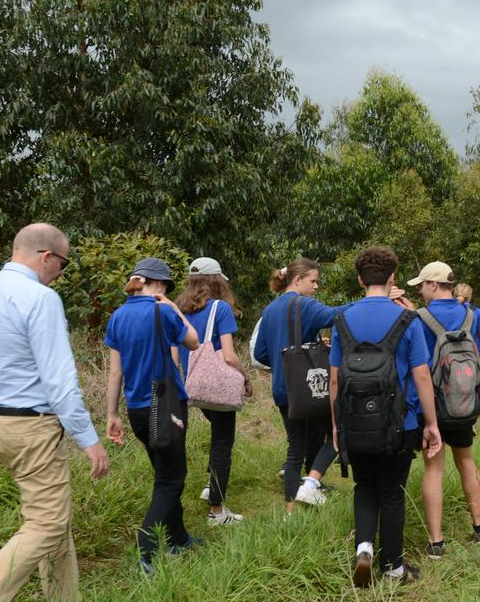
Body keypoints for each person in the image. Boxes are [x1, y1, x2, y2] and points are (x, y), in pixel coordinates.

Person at [0, 223, 110, 602]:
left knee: (56, 520)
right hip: (29, 427)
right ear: (46, 257)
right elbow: (59, 380)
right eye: (64, 264)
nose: (61, 273)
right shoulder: (40, 299)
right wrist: (88, 440)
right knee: (48, 523)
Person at [330, 246, 442, 586]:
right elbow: (422, 376)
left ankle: (364, 547)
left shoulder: (342, 319)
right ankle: (393, 567)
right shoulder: (407, 320)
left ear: (360, 279)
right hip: (400, 423)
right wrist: (432, 423)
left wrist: (337, 425)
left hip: (354, 422)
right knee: (392, 491)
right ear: (392, 278)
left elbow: (335, 378)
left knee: (364, 485)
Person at [104, 258, 201, 574]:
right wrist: (174, 306)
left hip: (136, 410)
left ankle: (178, 538)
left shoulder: (117, 317)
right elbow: (193, 340)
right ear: (154, 284)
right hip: (167, 406)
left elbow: (115, 372)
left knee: (163, 472)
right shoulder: (163, 311)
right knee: (171, 479)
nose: (165, 290)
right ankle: (145, 551)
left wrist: (111, 414)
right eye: (164, 285)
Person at [253, 259, 352, 510]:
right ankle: (312, 482)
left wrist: (284, 361)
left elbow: (262, 353)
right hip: (309, 388)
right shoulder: (304, 304)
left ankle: (290, 511)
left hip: (283, 388)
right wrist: (370, 302)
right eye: (313, 280)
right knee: (338, 434)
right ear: (297, 281)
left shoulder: (271, 309)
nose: (316, 286)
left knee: (295, 448)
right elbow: (334, 315)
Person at [409, 262, 480, 559]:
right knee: (466, 462)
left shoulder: (419, 318)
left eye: (422, 285)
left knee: (434, 469)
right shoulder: (471, 314)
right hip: (464, 404)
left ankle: (436, 542)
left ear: (433, 284)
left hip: (431, 406)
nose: (420, 290)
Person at [176, 257, 252, 525]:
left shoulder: (180, 308)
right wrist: (245, 378)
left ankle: (211, 486)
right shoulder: (220, 308)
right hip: (217, 386)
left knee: (217, 435)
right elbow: (229, 356)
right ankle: (217, 511)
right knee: (223, 443)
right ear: (217, 280)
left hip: (193, 384)